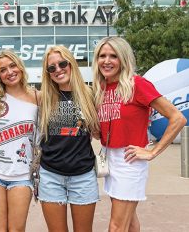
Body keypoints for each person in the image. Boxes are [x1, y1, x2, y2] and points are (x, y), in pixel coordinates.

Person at [92, 36, 187, 232]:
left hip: (129, 161)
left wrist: (153, 151)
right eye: (102, 56)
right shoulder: (100, 89)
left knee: (116, 225)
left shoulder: (137, 84)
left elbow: (177, 118)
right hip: (109, 158)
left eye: (113, 56)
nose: (107, 61)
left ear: (123, 59)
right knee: (129, 220)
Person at [38, 45, 100, 232]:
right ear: (47, 73)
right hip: (50, 175)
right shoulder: (43, 98)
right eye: (52, 68)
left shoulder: (90, 95)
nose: (58, 70)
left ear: (71, 64)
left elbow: (100, 130)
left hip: (83, 175)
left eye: (62, 63)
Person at [0, 49, 39, 232]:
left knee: (16, 229)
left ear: (20, 67)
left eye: (12, 66)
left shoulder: (39, 97)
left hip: (22, 174)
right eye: (3, 70)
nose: (9, 72)